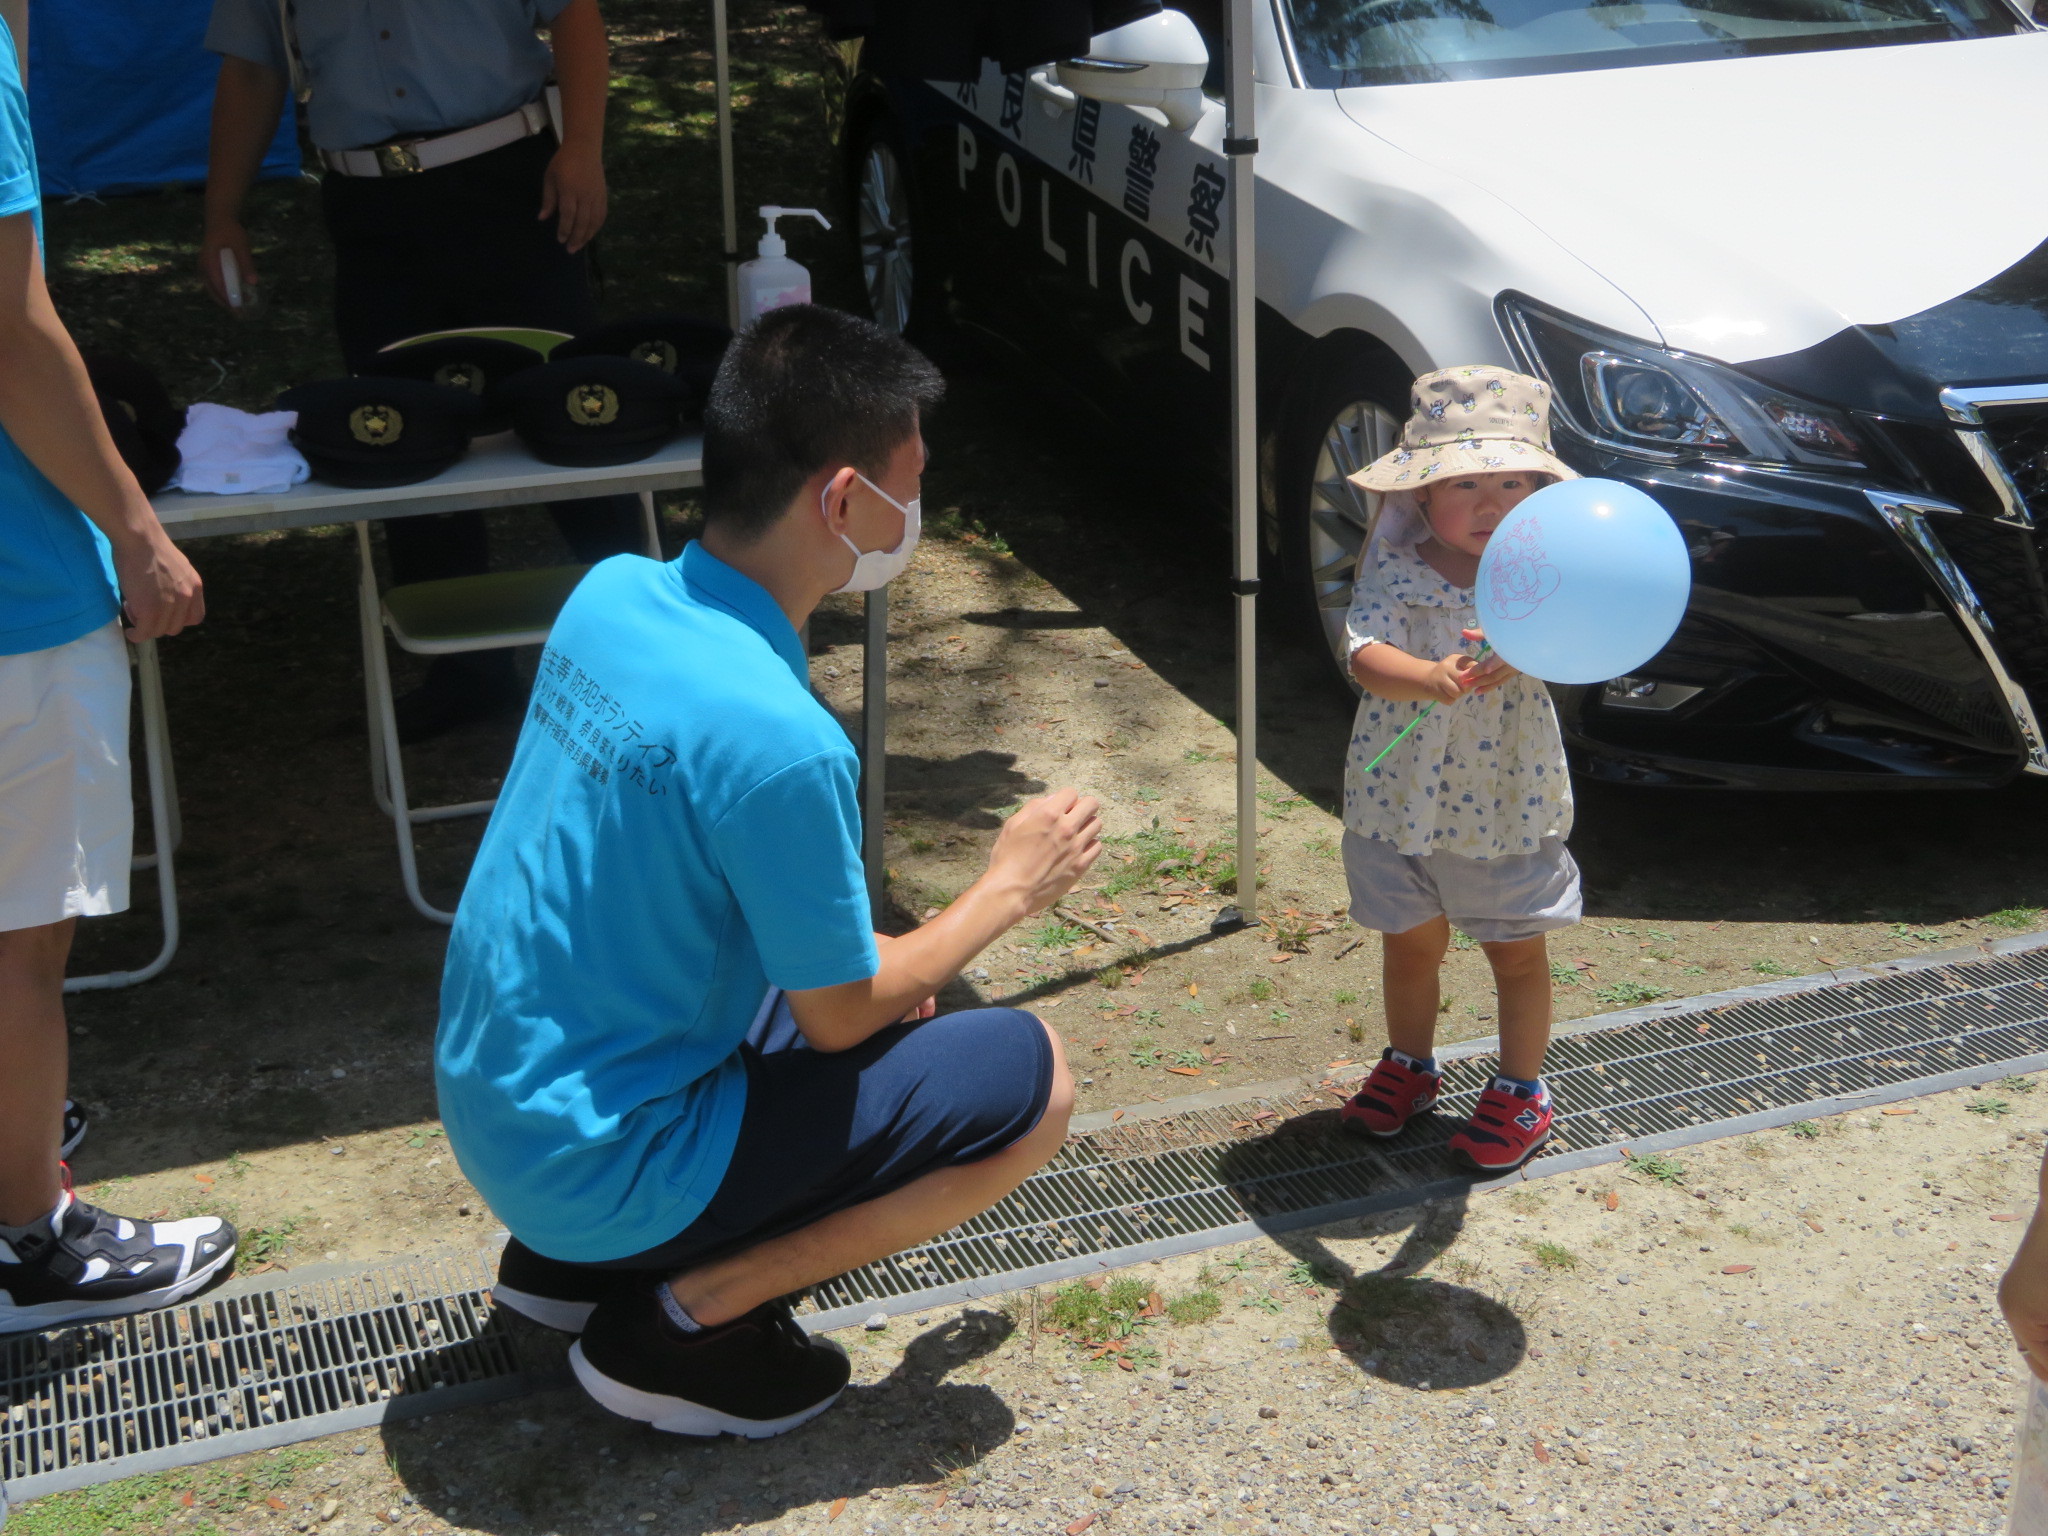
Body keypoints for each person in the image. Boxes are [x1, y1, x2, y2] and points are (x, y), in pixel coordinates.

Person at [435, 305, 1100, 1436]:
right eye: (910, 483)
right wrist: (1007, 891)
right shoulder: (781, 741)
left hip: (502, 1106)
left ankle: (568, 1270)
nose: (913, 513)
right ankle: (684, 1323)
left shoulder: (610, 594)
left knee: (901, 988)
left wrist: (898, 966)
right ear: (845, 501)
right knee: (1031, 1083)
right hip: (604, 1163)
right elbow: (839, 1019)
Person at [198, 0, 646, 741]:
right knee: (401, 434)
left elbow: (573, 12)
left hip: (510, 183)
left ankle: (651, 637)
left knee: (574, 413)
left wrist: (584, 148)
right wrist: (222, 213)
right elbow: (251, 69)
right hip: (370, 206)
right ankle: (468, 676)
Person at [0, 13, 238, 1330]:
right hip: (16, 596)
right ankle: (31, 1243)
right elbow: (11, 331)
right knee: (22, 942)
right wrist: (138, 531)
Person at [1333, 366, 1582, 1174]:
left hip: (1500, 801)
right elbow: (1364, 654)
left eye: (1513, 481)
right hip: (1397, 795)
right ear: (1419, 495)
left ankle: (1522, 1088)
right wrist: (1426, 676)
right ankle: (1411, 1063)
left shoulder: (1543, 572)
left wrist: (1534, 645)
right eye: (1465, 482)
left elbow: (1589, 647)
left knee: (1515, 946)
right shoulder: (1395, 562)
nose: (1491, 502)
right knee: (1408, 942)